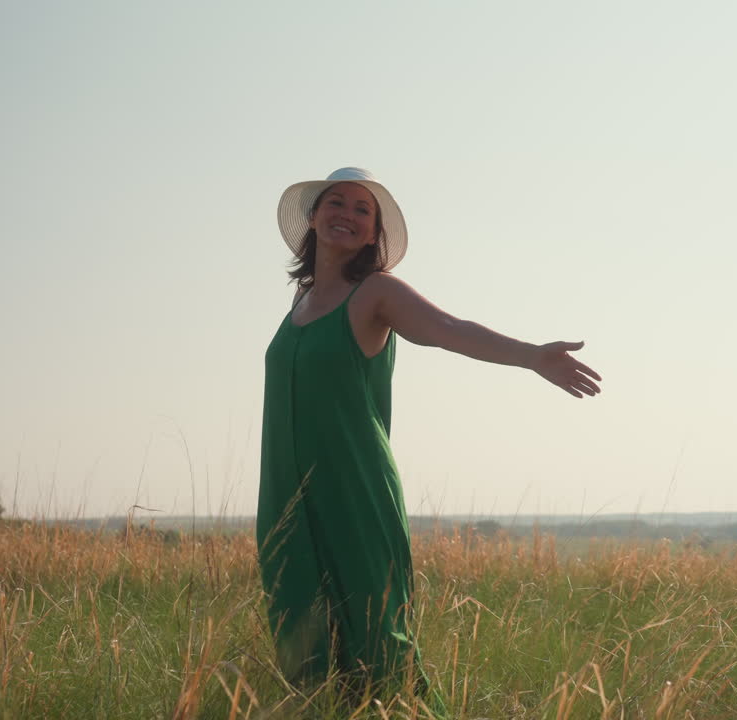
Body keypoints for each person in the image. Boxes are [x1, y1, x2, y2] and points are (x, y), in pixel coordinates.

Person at [256, 167, 602, 705]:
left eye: (363, 210)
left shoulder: (375, 293)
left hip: (353, 489)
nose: (347, 214)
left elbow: (449, 329)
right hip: (286, 496)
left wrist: (531, 356)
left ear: (373, 234)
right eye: (336, 202)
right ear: (314, 216)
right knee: (301, 644)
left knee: (378, 645)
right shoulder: (299, 303)